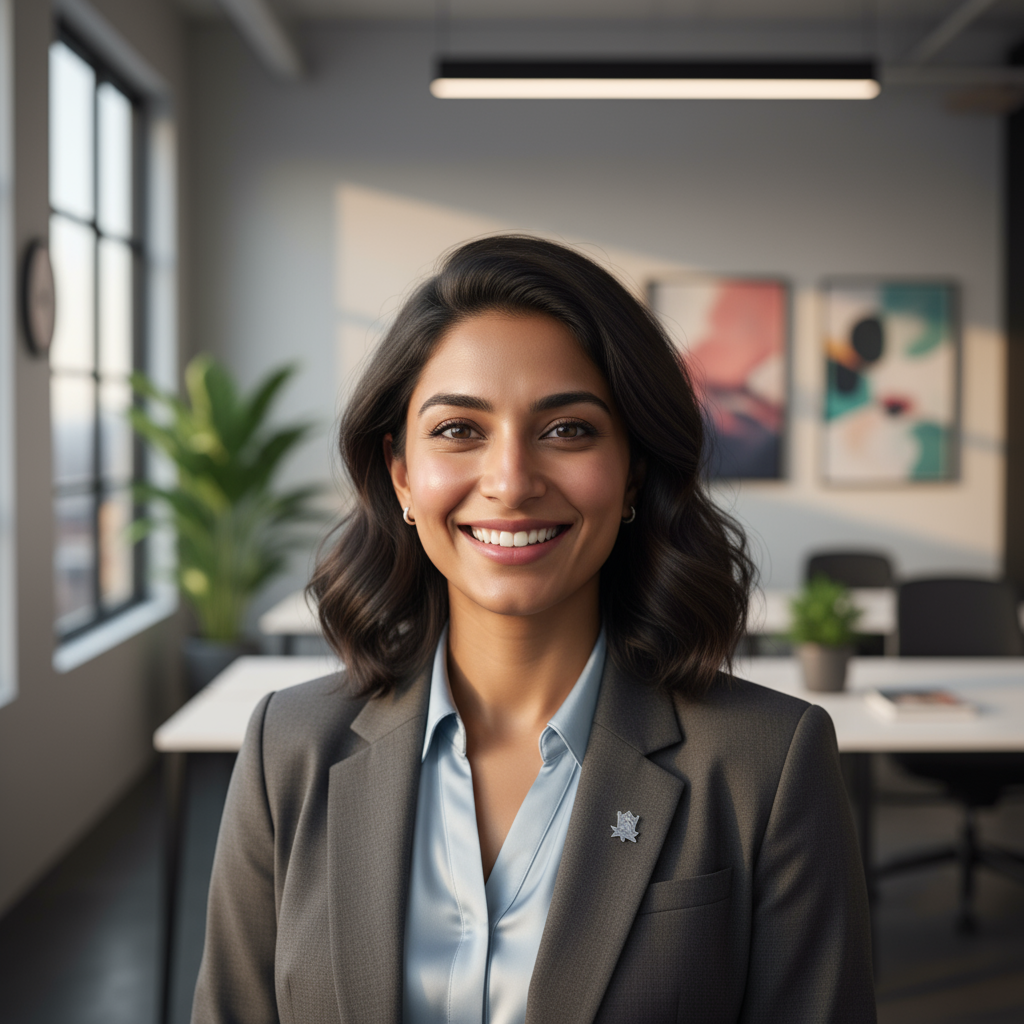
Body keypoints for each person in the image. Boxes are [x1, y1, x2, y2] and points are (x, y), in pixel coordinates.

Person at [192, 236, 875, 1024]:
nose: (512, 481)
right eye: (458, 430)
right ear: (402, 474)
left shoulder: (766, 763)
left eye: (569, 430)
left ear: (633, 473)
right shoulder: (290, 750)